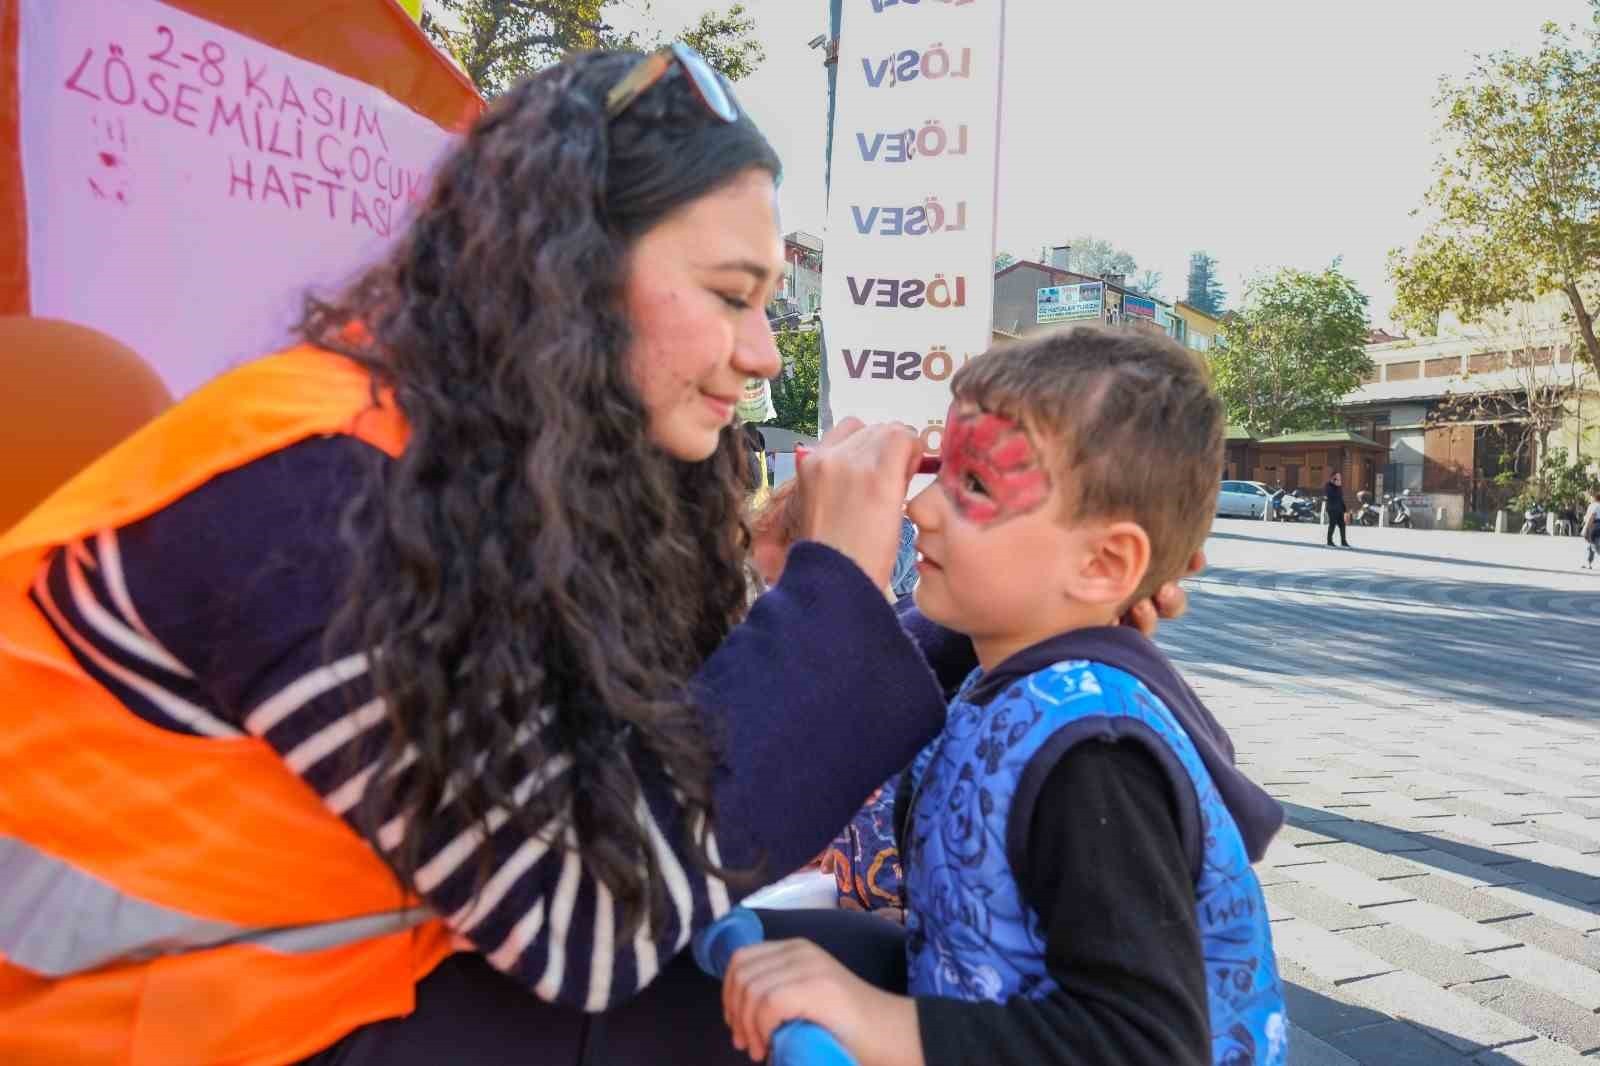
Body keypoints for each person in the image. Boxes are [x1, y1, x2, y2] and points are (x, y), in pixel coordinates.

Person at [720, 326, 1287, 1066]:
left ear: (1104, 562)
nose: (919, 511)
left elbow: (1141, 1045)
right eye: (938, 473)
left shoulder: (1092, 754)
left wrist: (873, 1016)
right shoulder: (1001, 687)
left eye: (975, 486)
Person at [1325, 470, 1350, 547]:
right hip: (1332, 509)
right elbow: (1331, 495)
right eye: (1338, 476)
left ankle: (1343, 541)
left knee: (1342, 525)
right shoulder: (1328, 485)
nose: (1339, 478)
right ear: (1333, 477)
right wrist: (1335, 486)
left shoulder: (1339, 487)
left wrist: (1345, 509)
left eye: (1340, 477)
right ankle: (1329, 541)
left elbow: (1340, 498)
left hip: (1339, 509)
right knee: (1332, 525)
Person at [1582, 489, 1600, 569]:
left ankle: (1588, 562)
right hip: (1595, 525)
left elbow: (1591, 517)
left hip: (1594, 526)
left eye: (1591, 497)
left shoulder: (1595, 505)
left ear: (1595, 498)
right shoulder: (1593, 505)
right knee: (1590, 545)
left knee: (1594, 545)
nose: (1590, 498)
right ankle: (1588, 562)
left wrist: (1586, 528)